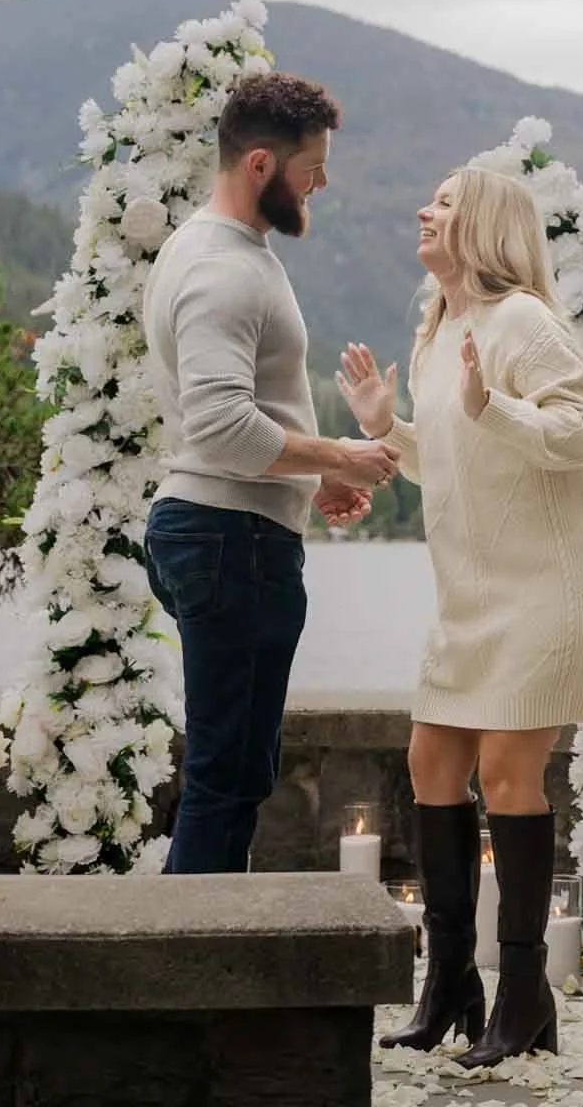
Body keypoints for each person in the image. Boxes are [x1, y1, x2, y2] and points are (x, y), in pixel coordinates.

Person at [337, 165, 583, 1067]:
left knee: (505, 771)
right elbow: (452, 460)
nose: (425, 209)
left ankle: (521, 993)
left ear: (487, 224)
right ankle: (448, 980)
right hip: (470, 596)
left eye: (446, 202)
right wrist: (389, 428)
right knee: (429, 759)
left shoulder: (524, 324)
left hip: (548, 589)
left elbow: (577, 435)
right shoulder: (436, 333)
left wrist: (491, 404)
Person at [143, 72, 399, 875]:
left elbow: (239, 409)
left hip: (230, 530)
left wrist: (308, 480)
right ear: (260, 164)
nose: (320, 182)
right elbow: (218, 423)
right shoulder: (223, 270)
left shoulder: (223, 250)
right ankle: (190, 977)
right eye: (311, 167)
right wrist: (337, 455)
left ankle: (203, 968)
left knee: (239, 771)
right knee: (225, 776)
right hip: (229, 540)